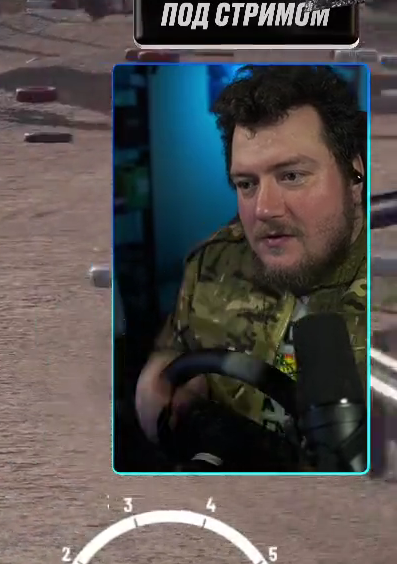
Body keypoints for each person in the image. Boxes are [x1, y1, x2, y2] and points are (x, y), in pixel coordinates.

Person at [133, 65, 368, 467]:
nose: (264, 209)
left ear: (354, 175)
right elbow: (172, 354)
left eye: (291, 175)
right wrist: (163, 386)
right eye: (246, 184)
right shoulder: (212, 264)